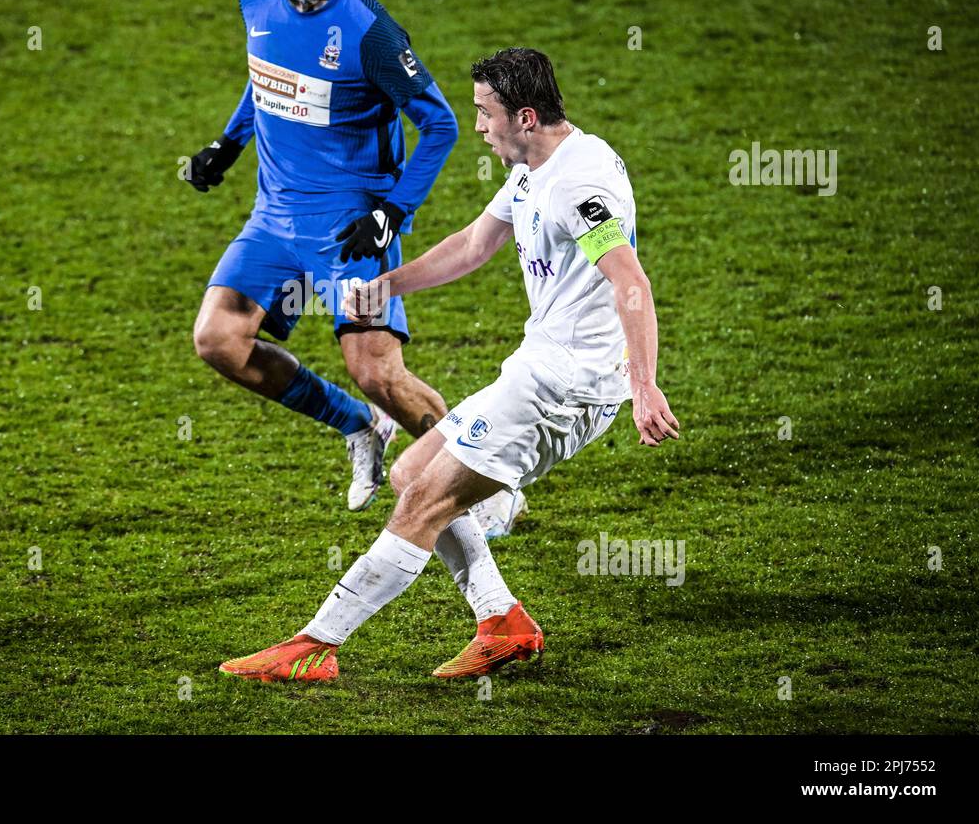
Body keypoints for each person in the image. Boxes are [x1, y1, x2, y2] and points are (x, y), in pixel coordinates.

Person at [220, 47, 680, 681]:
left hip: (565, 387)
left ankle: (314, 647)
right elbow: (471, 244)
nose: (479, 128)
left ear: (523, 116)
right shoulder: (532, 167)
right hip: (537, 366)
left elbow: (631, 281)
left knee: (423, 505)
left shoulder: (579, 185)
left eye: (485, 114)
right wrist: (389, 287)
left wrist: (645, 385)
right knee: (412, 472)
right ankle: (502, 622)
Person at [187, 0, 516, 524]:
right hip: (274, 216)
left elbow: (441, 124)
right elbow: (265, 78)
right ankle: (355, 426)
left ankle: (493, 486)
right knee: (219, 339)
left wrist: (393, 212)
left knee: (378, 372)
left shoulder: (368, 32)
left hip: (350, 228)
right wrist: (227, 142)